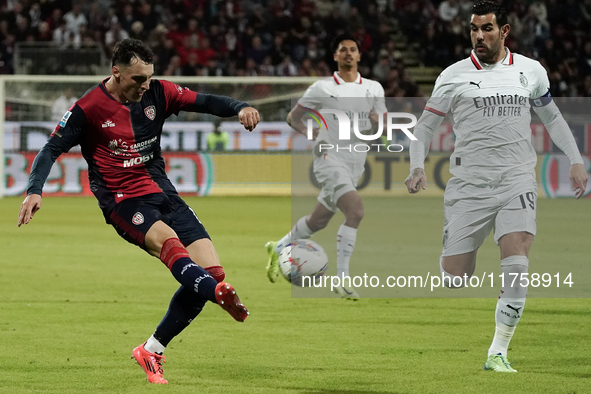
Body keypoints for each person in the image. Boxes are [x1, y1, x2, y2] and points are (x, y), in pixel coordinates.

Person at [17, 39, 261, 384]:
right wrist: (34, 190)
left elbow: (205, 101)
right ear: (115, 73)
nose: (144, 85)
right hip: (122, 201)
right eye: (137, 79)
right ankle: (217, 296)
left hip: (164, 193)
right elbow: (50, 148)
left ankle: (152, 349)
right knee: (171, 246)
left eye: (149, 77)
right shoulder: (88, 108)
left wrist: (240, 107)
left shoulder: (159, 92)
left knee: (213, 271)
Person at [404, 1, 588, 373]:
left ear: (504, 31)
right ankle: (453, 254)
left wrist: (576, 160)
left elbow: (552, 119)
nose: (479, 36)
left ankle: (497, 352)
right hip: (469, 185)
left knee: (517, 260)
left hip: (517, 178)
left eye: (486, 29)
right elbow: (424, 128)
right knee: (456, 276)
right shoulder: (453, 76)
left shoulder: (530, 71)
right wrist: (415, 165)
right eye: (474, 29)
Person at [265, 33, 387, 299]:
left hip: (356, 162)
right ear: (335, 56)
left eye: (352, 49)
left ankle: (278, 246)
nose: (348, 53)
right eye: (342, 49)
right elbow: (293, 117)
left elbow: (381, 129)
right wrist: (312, 135)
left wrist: (378, 124)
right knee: (355, 211)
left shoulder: (374, 88)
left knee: (318, 220)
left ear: (359, 55)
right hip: (329, 158)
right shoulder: (321, 88)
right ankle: (341, 280)